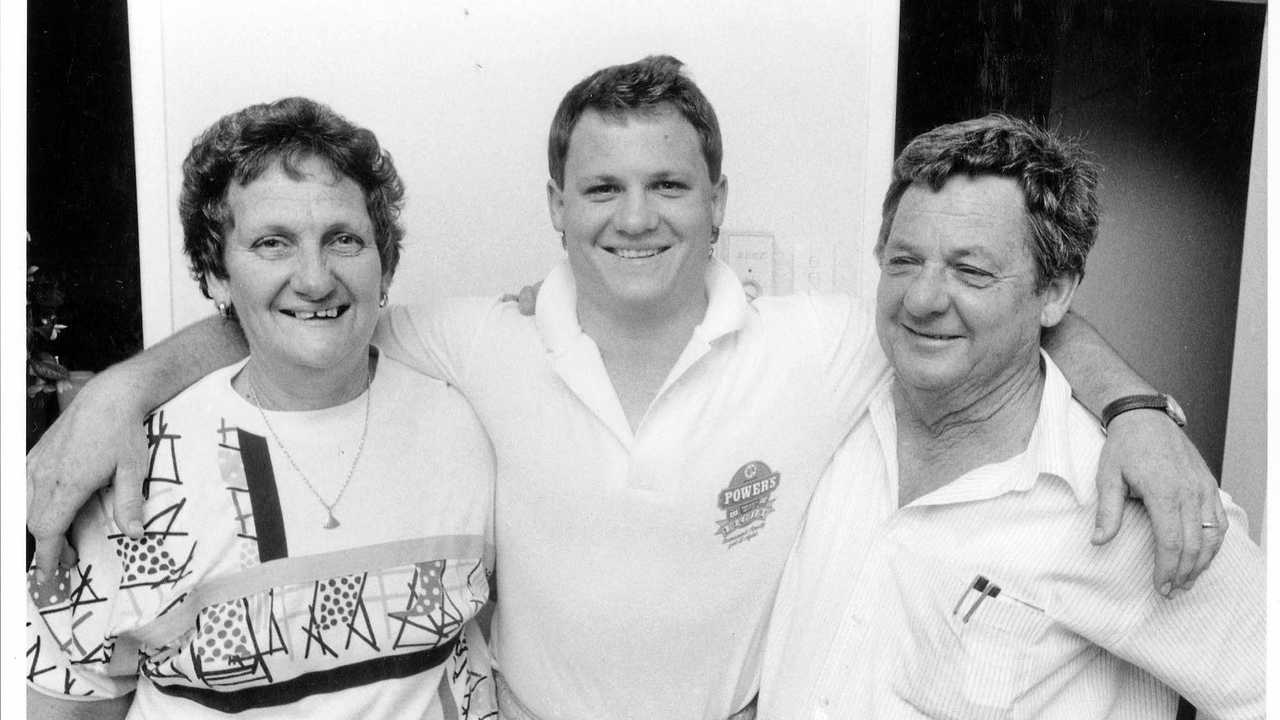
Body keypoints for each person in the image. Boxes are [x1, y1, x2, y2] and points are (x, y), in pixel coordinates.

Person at [28, 58, 1223, 719]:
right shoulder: (469, 342)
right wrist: (121, 389)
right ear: (556, 208)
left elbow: (983, 313)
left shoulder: (824, 341)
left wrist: (1132, 412)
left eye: (668, 185)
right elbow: (305, 322)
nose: (635, 216)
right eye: (600, 189)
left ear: (716, 198)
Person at [759, 115, 1264, 719]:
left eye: (971, 271)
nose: (921, 300)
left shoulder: (1129, 502)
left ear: (1054, 294)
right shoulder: (831, 400)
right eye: (903, 261)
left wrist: (1138, 415)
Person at [25, 98, 497, 719]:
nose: (315, 278)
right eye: (272, 243)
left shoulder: (466, 424)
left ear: (385, 264)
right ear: (216, 276)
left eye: (344, 239)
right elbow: (67, 701)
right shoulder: (136, 470)